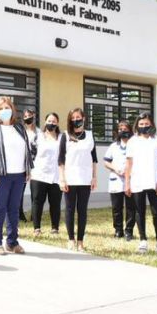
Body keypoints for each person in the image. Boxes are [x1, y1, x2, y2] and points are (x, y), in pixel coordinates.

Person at [0, 96, 32, 255]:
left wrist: (28, 170)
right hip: (0, 175)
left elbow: (27, 150)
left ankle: (12, 242)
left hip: (19, 175)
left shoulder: (19, 127)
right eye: (1, 108)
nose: (5, 111)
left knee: (14, 209)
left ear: (12, 109)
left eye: (7, 107)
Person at [124, 112, 157, 255]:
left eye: (147, 124)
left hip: (154, 181)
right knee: (139, 212)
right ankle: (143, 241)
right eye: (141, 124)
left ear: (151, 124)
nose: (144, 126)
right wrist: (127, 183)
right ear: (137, 125)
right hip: (137, 182)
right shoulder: (132, 141)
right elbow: (129, 164)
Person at [58, 108, 97, 252]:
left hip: (85, 179)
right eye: (73, 117)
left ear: (84, 118)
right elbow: (61, 159)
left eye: (78, 117)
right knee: (69, 210)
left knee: (82, 211)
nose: (76, 119)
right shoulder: (66, 135)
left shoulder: (90, 135)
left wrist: (94, 177)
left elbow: (94, 159)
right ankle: (71, 240)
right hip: (70, 178)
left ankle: (80, 241)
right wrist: (62, 179)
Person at [30, 113, 62, 235]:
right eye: (49, 120)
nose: (51, 123)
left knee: (55, 203)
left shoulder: (62, 138)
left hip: (56, 176)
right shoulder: (38, 137)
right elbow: (31, 155)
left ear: (57, 123)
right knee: (37, 201)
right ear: (44, 122)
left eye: (54, 121)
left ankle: (55, 228)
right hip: (39, 175)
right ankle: (36, 228)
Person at [104, 120, 136, 240]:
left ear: (130, 131)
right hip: (116, 180)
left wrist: (130, 172)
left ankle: (129, 231)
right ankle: (118, 231)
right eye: (120, 129)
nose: (123, 131)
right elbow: (106, 162)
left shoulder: (134, 146)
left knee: (131, 208)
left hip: (131, 180)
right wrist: (116, 169)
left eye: (125, 129)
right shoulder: (113, 146)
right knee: (116, 208)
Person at [20, 109, 38, 222]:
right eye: (25, 116)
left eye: (30, 115)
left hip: (36, 165)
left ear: (34, 116)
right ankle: (19, 214)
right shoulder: (20, 132)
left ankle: (34, 214)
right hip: (22, 165)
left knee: (35, 192)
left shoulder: (39, 133)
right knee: (20, 191)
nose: (28, 118)